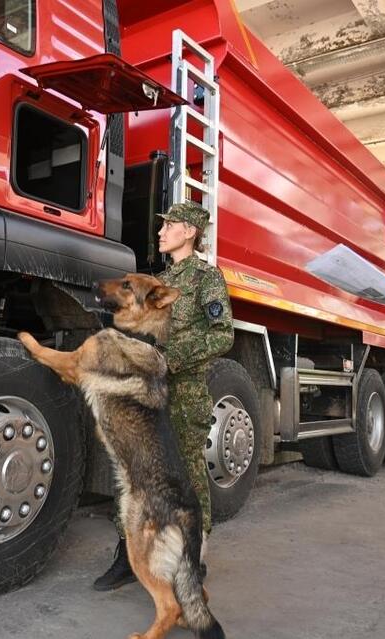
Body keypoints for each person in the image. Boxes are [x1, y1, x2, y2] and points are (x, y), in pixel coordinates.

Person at [93, 201, 234, 591]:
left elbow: (223, 334)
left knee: (188, 478)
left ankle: (193, 559)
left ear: (190, 231)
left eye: (170, 224)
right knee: (137, 474)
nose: (161, 231)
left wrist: (168, 358)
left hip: (185, 394)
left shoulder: (207, 278)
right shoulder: (156, 281)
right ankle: (128, 556)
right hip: (149, 393)